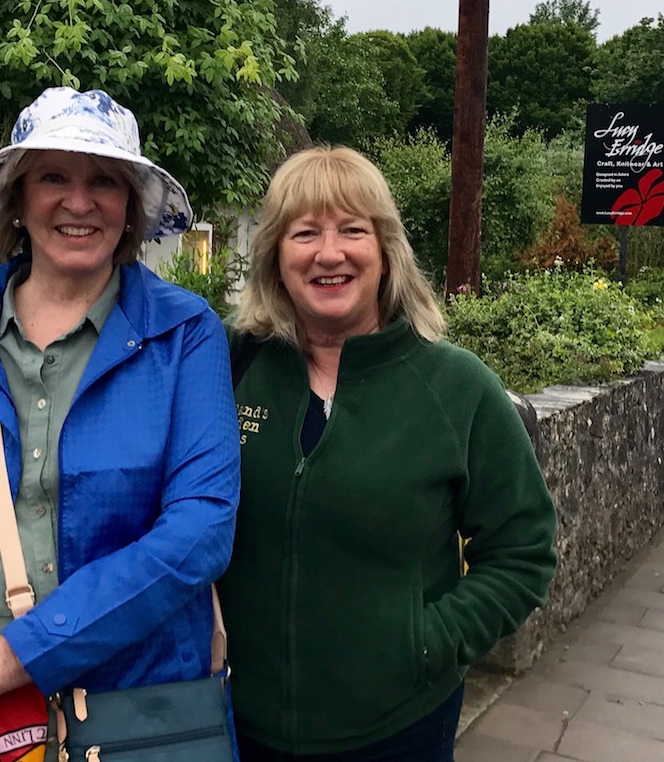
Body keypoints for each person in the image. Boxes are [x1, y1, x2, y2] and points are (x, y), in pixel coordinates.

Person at [0, 86, 240, 762]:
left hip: (132, 716)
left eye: (104, 181)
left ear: (131, 208)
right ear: (17, 200)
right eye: (53, 177)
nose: (79, 201)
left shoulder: (184, 338)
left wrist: (12, 655)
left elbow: (200, 530)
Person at [219, 145, 557, 761]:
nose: (329, 253)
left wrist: (427, 642)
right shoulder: (229, 366)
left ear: (385, 252)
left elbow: (524, 554)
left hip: (398, 729)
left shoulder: (456, 388)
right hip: (236, 726)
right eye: (304, 233)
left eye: (353, 229)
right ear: (274, 255)